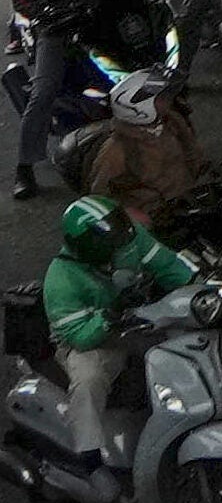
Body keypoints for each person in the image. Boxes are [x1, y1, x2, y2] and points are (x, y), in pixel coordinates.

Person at [39, 193, 186, 469]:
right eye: (114, 237)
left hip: (138, 322)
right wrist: (111, 314)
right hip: (92, 341)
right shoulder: (60, 280)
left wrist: (203, 287)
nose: (125, 242)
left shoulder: (128, 240)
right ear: (92, 245)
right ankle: (89, 456)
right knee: (89, 381)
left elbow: (169, 264)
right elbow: (79, 336)